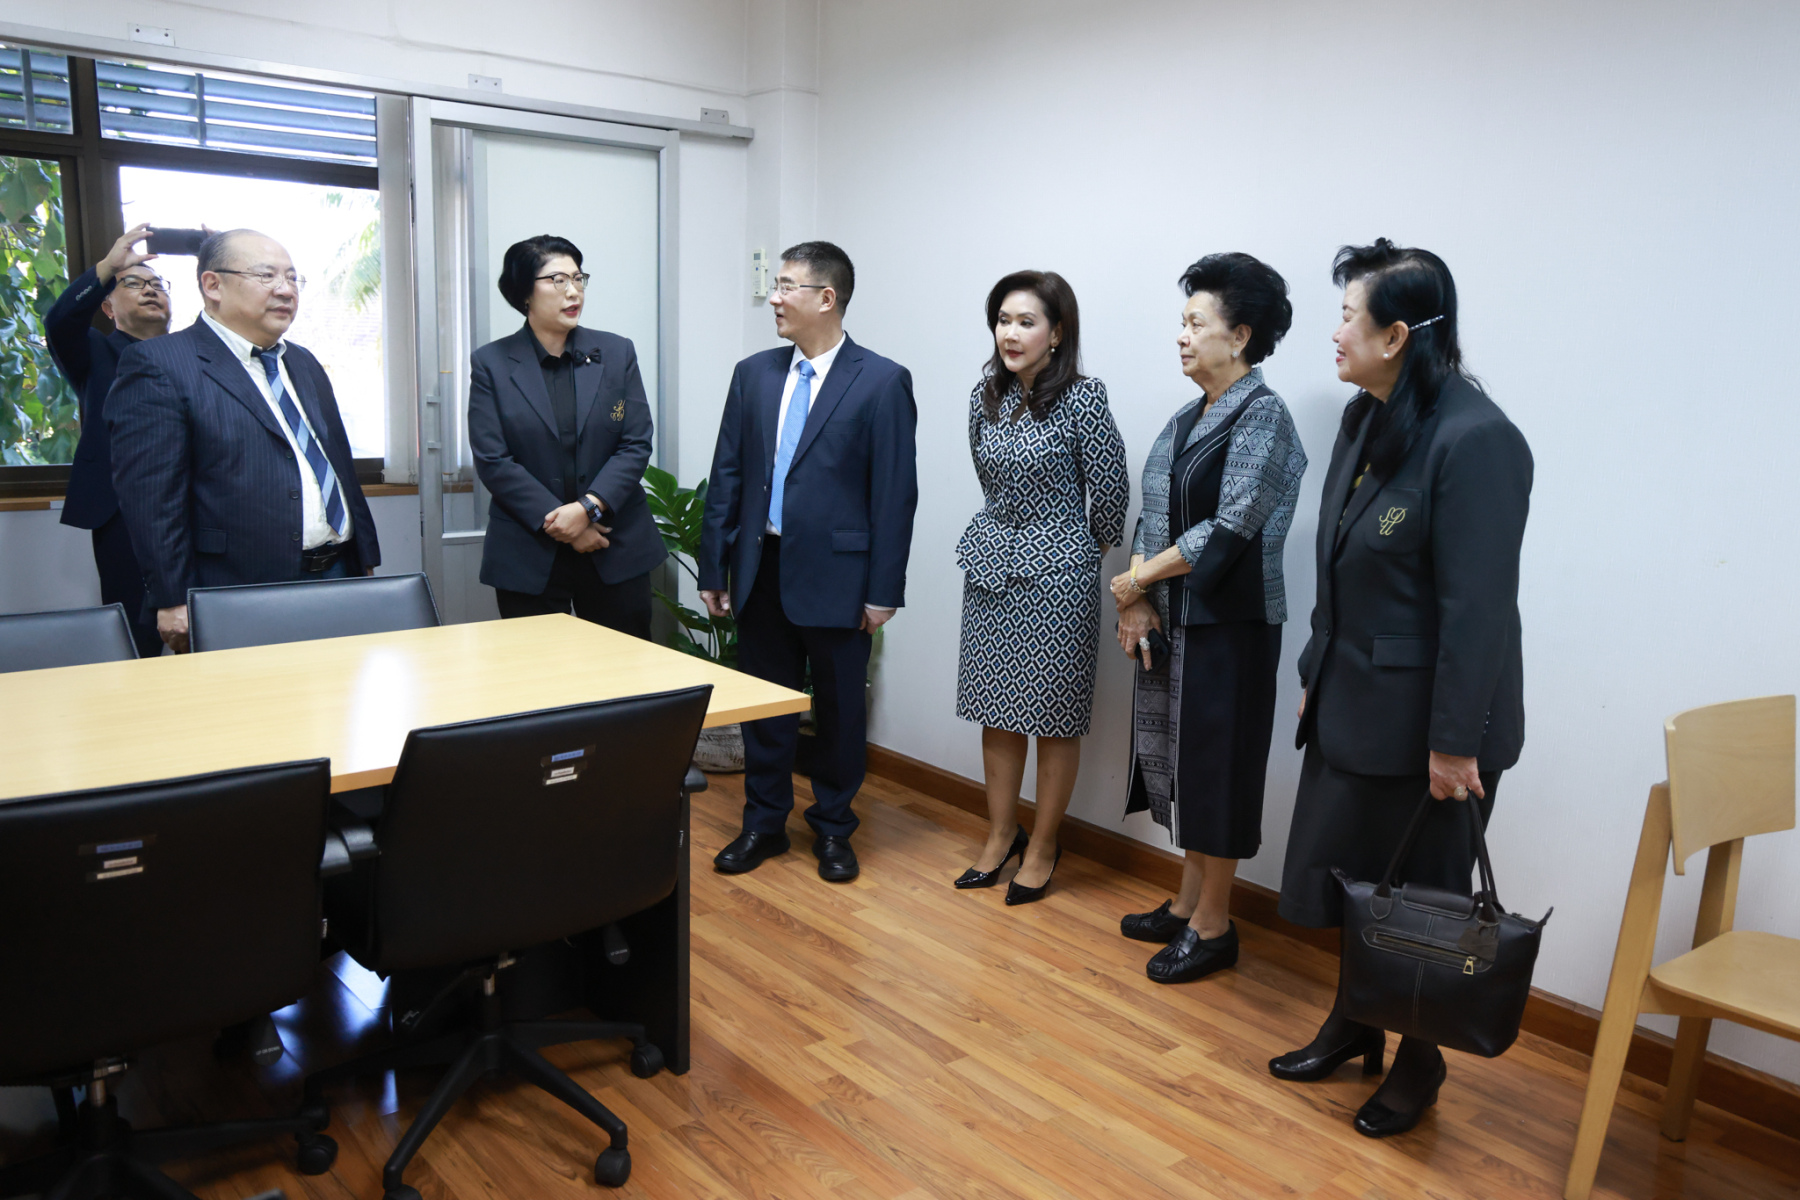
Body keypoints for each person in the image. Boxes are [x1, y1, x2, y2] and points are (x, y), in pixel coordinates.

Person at [1268, 239, 1532, 1139]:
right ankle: (1354, 1022)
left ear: (1397, 336)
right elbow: (1339, 566)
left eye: (1349, 316)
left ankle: (1421, 1063)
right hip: (1356, 702)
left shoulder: (1478, 439)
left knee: (1425, 905)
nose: (1335, 332)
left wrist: (1454, 743)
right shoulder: (1365, 414)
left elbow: (1478, 612)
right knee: (1357, 884)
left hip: (1435, 729)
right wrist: (1317, 672)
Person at [698, 241, 918, 883]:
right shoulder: (753, 374)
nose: (773, 297)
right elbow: (728, 475)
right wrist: (715, 567)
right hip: (760, 568)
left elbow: (894, 495)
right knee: (766, 705)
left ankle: (833, 828)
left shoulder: (881, 381)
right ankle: (763, 824)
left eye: (786, 286)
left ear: (826, 298)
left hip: (840, 579)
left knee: (841, 712)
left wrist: (883, 590)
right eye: (774, 285)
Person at [1113, 253, 1307, 980]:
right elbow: (1152, 513)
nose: (1182, 336)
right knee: (1185, 765)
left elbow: (1228, 527)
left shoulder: (1266, 416)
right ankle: (1188, 900)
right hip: (1178, 619)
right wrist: (1136, 597)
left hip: (1234, 625)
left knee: (1219, 770)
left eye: (1197, 323)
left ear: (1242, 335)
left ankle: (1215, 924)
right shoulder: (1185, 416)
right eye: (1183, 322)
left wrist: (1138, 577)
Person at [109, 229, 381, 653]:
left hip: (338, 572)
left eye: (292, 278)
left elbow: (336, 465)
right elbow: (152, 499)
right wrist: (172, 597)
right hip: (238, 585)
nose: (285, 290)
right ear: (213, 285)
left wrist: (362, 556)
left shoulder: (302, 362)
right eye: (266, 276)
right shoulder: (160, 364)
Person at [952, 271, 1127, 904]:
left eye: (1026, 321)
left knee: (1054, 719)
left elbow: (1111, 496)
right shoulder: (985, 398)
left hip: (1059, 580)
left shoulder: (1083, 398)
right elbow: (989, 481)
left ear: (1056, 334)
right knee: (996, 713)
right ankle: (1002, 835)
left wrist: (1070, 554)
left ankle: (1045, 845)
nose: (1011, 332)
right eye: (1003, 320)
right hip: (991, 570)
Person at [466, 235, 664, 636]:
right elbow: (494, 460)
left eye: (578, 278)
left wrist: (588, 509)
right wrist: (564, 523)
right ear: (524, 292)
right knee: (539, 668)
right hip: (529, 550)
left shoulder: (616, 352)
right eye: (557, 280)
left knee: (623, 668)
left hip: (614, 544)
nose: (573, 291)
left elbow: (635, 443)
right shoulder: (491, 363)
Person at [45, 224, 173, 658]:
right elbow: (60, 322)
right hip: (122, 513)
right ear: (107, 306)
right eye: (133, 283)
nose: (150, 289)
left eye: (158, 284)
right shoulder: (95, 354)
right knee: (137, 640)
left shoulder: (194, 354)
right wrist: (107, 267)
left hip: (199, 503)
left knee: (212, 628)